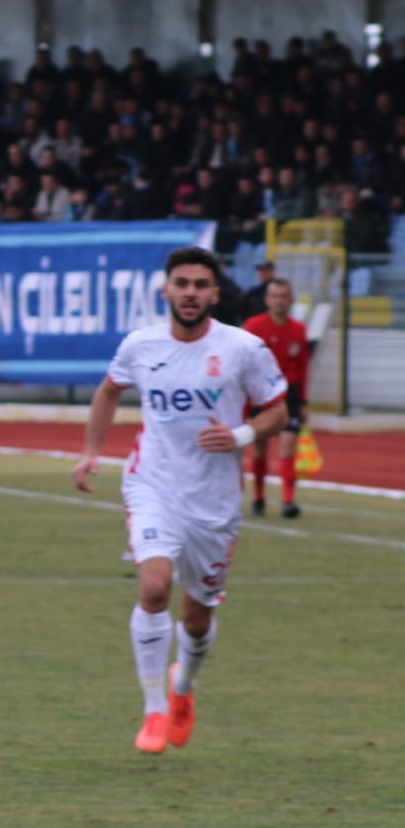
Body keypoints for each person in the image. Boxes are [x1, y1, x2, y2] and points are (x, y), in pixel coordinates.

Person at [71, 246, 288, 755]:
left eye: (200, 285)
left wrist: (238, 436)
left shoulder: (243, 349)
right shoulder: (140, 346)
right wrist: (89, 453)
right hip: (154, 485)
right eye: (182, 284)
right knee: (153, 587)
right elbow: (108, 391)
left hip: (213, 503)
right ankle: (153, 710)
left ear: (215, 293)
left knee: (196, 617)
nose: (190, 293)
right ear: (166, 289)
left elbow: (278, 412)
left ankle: (183, 688)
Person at [242, 276, 311, 518]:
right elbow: (242, 362)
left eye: (283, 296)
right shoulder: (253, 326)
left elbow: (302, 366)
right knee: (259, 449)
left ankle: (288, 501)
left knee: (288, 444)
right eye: (274, 296)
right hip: (260, 393)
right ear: (267, 300)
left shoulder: (299, 329)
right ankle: (259, 497)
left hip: (288, 393)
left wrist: (302, 401)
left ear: (290, 300)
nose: (279, 301)